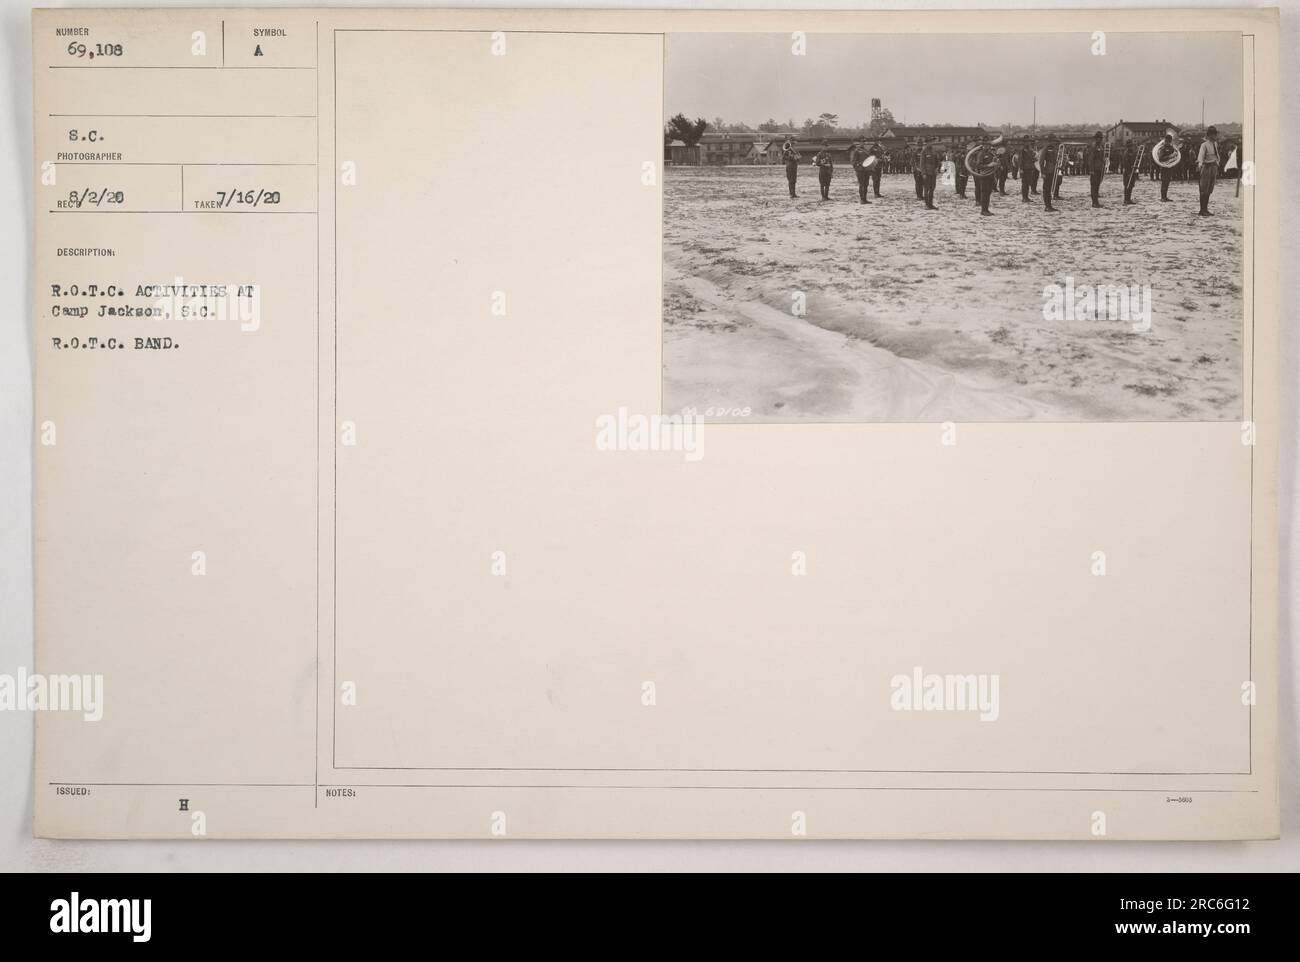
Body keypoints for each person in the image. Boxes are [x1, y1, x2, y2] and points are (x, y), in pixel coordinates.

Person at [1196, 125, 1220, 216]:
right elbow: (1200, 157)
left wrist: (1217, 163)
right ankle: (1202, 210)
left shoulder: (1215, 144)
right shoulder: (1204, 145)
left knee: (1209, 189)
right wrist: (1200, 165)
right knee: (1204, 189)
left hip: (1213, 167)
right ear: (1209, 135)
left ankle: (1206, 209)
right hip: (1206, 167)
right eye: (1213, 134)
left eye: (1215, 134)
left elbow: (1216, 155)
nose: (1215, 136)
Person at [1039, 135, 1060, 212]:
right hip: (1048, 171)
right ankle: (1047, 206)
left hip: (1053, 171)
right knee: (1047, 189)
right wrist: (1043, 172)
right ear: (1050, 141)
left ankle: (1049, 205)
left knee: (1050, 188)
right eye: (1054, 141)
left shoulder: (1054, 148)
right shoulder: (1046, 148)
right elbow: (1041, 162)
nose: (1055, 142)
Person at [920, 137, 941, 210]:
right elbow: (922, 164)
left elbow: (938, 161)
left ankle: (930, 204)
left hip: (933, 173)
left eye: (932, 142)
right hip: (927, 173)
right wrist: (924, 173)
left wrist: (937, 168)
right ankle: (927, 204)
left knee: (932, 188)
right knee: (926, 189)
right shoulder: (924, 151)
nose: (931, 143)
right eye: (930, 142)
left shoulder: (934, 151)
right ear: (927, 142)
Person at [848, 139, 872, 204]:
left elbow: (869, 160)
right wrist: (858, 168)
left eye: (864, 142)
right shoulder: (856, 151)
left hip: (866, 170)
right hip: (860, 170)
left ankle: (865, 198)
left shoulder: (866, 150)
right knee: (861, 185)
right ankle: (862, 199)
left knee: (866, 185)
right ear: (859, 143)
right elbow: (853, 162)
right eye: (861, 142)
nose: (863, 143)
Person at [1087, 131, 1106, 208]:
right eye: (1099, 138)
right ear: (1096, 138)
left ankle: (1096, 202)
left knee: (1097, 185)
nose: (1100, 139)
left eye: (1101, 138)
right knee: (1094, 185)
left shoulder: (1100, 146)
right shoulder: (1094, 146)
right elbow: (1091, 159)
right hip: (1094, 169)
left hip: (1099, 168)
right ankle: (1094, 202)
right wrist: (1091, 169)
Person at [1156, 134, 1177, 201]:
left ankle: (1165, 196)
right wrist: (1170, 156)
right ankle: (1163, 197)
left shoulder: (1171, 148)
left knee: (1167, 182)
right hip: (1164, 167)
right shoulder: (1163, 148)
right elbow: (1160, 158)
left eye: (1169, 141)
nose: (1169, 142)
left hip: (1169, 167)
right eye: (1168, 140)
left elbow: (1175, 156)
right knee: (1164, 182)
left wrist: (1175, 155)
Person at [1120, 139, 1140, 205]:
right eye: (1129, 146)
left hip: (1132, 171)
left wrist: (1135, 166)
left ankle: (1129, 199)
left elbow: (1134, 160)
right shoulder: (1126, 153)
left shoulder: (1132, 152)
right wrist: (1129, 170)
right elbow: (1125, 163)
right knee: (1127, 185)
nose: (1131, 147)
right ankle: (1126, 200)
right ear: (1127, 146)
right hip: (1128, 171)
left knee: (1131, 185)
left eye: (1131, 145)